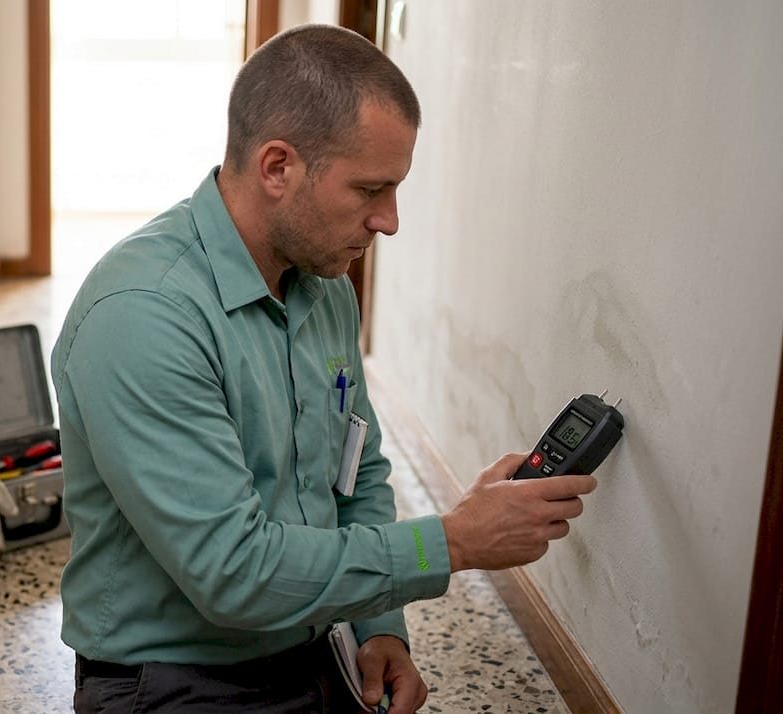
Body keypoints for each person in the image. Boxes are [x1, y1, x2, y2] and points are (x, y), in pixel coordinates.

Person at [50, 24, 597, 714]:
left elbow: (355, 473)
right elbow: (235, 573)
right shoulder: (144, 315)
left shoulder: (323, 284)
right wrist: (453, 541)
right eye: (370, 189)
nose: (389, 221)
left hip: (312, 641)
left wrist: (380, 628)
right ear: (277, 167)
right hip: (171, 678)